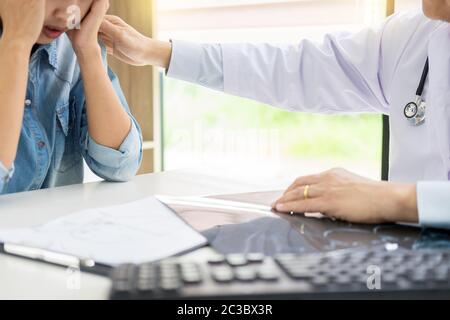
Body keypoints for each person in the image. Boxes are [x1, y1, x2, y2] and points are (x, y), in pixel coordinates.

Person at [99, 0, 450, 229]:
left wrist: (390, 199)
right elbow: (296, 69)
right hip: (410, 258)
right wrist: (159, 53)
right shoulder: (414, 35)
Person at [0, 0, 143, 195]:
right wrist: (17, 43)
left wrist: (88, 51)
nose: (66, 15)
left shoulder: (73, 44)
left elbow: (121, 164)